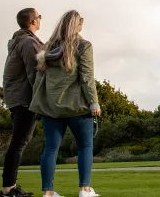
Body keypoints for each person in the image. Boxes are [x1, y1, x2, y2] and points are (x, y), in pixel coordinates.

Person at [30, 10, 102, 197]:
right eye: (81, 23)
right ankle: (85, 190)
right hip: (77, 107)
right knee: (85, 146)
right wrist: (94, 103)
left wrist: (37, 104)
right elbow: (87, 77)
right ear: (77, 25)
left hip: (51, 108)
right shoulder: (83, 46)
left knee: (51, 148)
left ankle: (48, 193)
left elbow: (39, 79)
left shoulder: (47, 48)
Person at [1, 8, 45, 197]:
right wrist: (42, 101)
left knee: (18, 143)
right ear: (33, 22)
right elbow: (34, 73)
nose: (40, 19)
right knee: (19, 143)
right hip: (23, 99)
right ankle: (8, 189)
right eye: (39, 17)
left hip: (16, 98)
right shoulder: (28, 42)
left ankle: (10, 187)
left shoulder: (18, 41)